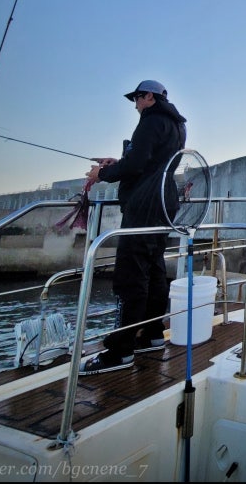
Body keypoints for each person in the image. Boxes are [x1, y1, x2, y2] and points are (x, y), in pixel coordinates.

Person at [79, 80, 187, 375]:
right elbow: (149, 161)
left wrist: (102, 172)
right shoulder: (177, 125)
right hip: (164, 205)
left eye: (137, 99)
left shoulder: (150, 121)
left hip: (144, 207)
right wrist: (120, 161)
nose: (135, 105)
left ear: (149, 97)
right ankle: (152, 334)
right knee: (153, 269)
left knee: (131, 275)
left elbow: (136, 166)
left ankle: (120, 351)